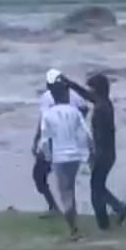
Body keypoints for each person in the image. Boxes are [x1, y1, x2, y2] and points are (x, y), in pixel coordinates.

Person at [59, 73, 126, 230]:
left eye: (92, 88)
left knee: (96, 189)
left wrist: (92, 153)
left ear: (97, 90)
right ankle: (113, 213)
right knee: (98, 187)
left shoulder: (100, 110)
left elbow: (100, 136)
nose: (90, 92)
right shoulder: (104, 103)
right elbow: (86, 95)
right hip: (108, 153)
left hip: (102, 154)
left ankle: (111, 216)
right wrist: (70, 83)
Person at [37, 81, 93, 240]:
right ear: (66, 94)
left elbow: (45, 139)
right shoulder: (74, 112)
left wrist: (47, 156)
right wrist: (87, 152)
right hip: (74, 156)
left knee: (65, 193)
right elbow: (85, 134)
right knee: (71, 190)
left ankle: (73, 229)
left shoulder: (48, 114)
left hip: (59, 157)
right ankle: (74, 226)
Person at [30, 69, 89, 217]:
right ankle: (65, 210)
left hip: (55, 145)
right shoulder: (71, 96)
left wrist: (37, 140)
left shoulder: (51, 97)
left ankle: (60, 210)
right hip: (67, 145)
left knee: (44, 176)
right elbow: (84, 110)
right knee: (65, 182)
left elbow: (44, 122)